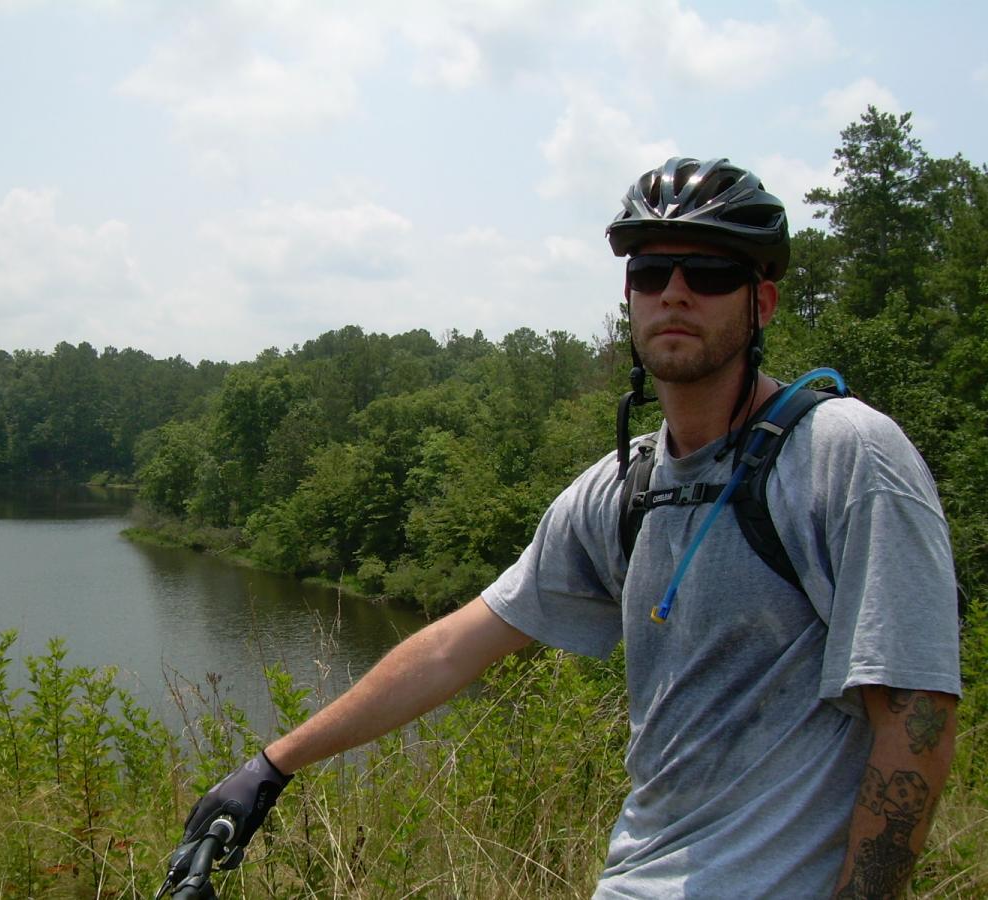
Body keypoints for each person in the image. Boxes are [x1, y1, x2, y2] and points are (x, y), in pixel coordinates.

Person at [170, 157, 961, 897]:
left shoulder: (845, 455)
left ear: (763, 302)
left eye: (712, 272)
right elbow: (454, 646)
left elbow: (916, 713)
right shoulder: (624, 488)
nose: (675, 293)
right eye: (652, 272)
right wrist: (272, 765)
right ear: (629, 297)